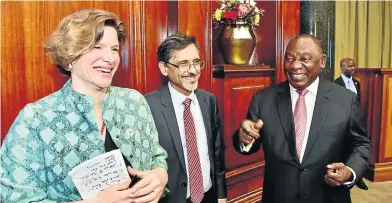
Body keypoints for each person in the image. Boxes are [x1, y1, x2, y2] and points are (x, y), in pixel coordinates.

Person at [0, 9, 168, 203]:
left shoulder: (134, 102)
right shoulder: (35, 119)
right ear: (70, 57)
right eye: (97, 47)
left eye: (114, 49)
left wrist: (160, 175)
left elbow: (157, 155)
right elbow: (16, 199)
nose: (110, 58)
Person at [234, 34, 371, 203]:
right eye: (289, 58)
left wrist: (350, 171)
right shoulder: (263, 99)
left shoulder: (346, 100)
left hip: (328, 197)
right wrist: (244, 139)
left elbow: (361, 144)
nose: (295, 65)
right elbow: (250, 141)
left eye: (305, 59)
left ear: (322, 61)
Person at [145, 34, 227, 203]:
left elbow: (216, 156)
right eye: (183, 64)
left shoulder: (208, 100)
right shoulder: (148, 106)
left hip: (208, 196)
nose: (193, 70)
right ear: (164, 68)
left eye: (197, 62)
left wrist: (221, 196)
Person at [334, 58, 368, 190]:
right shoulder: (336, 83)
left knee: (357, 149)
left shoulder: (356, 83)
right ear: (342, 67)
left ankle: (358, 177)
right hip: (343, 122)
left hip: (356, 122)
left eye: (354, 65)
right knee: (344, 149)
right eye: (350, 66)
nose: (353, 68)